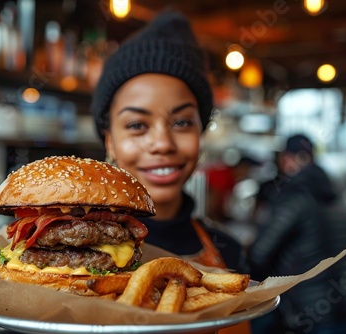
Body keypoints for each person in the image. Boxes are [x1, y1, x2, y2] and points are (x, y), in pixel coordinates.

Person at [90, 10, 250, 333]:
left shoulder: (231, 254)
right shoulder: (75, 256)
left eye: (181, 122)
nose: (162, 143)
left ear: (200, 134)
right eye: (137, 125)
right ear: (110, 140)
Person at [248, 134, 346, 334]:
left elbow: (259, 253)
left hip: (306, 314)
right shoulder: (338, 196)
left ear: (286, 160)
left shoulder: (294, 198)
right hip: (345, 306)